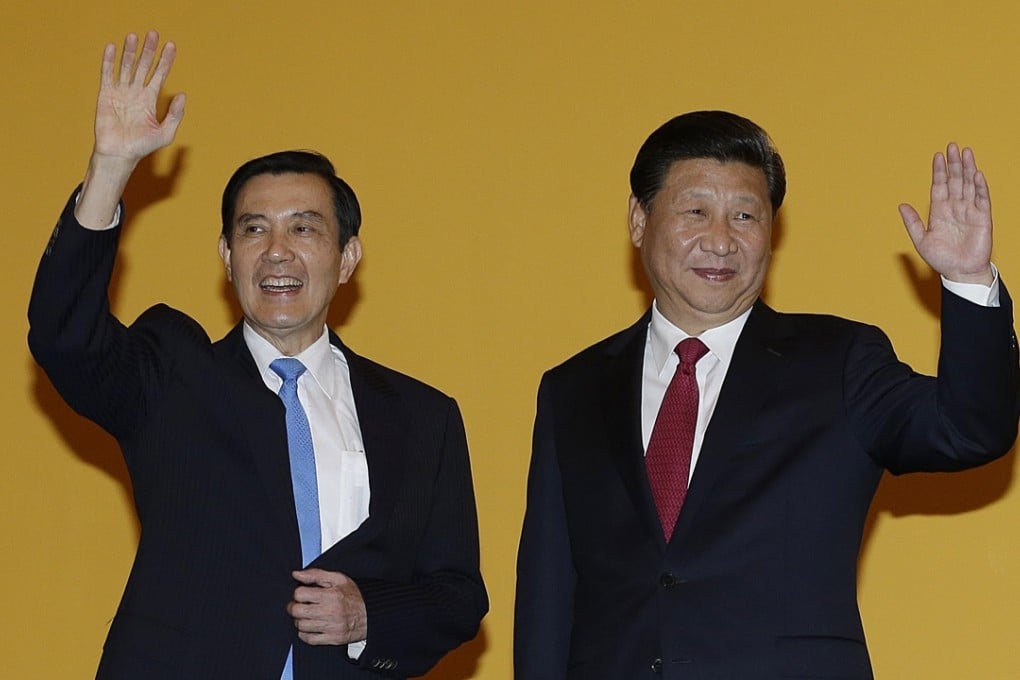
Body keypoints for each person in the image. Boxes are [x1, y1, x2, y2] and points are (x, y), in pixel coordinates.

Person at [28, 31, 487, 679]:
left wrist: (367, 614)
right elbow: (63, 335)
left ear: (346, 257)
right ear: (226, 256)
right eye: (253, 230)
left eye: (304, 228)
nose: (277, 251)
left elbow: (457, 595)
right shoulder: (172, 375)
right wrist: (109, 169)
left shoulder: (421, 415)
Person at [514, 110, 1019, 678]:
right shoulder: (573, 389)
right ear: (639, 219)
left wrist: (968, 281)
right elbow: (548, 595)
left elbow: (969, 430)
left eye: (746, 216)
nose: (722, 241)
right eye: (695, 211)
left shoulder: (840, 361)